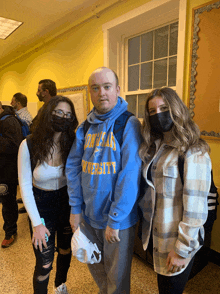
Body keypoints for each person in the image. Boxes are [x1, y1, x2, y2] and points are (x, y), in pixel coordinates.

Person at [66, 67, 142, 294]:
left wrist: (115, 219)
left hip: (117, 220)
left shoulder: (129, 124)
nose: (102, 93)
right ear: (90, 92)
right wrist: (75, 208)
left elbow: (130, 175)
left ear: (117, 90)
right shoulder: (85, 127)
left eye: (107, 87)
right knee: (95, 265)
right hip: (88, 216)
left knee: (117, 277)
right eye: (95, 88)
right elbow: (72, 168)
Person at [139, 87, 212, 294]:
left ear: (176, 109)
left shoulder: (193, 150)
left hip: (178, 241)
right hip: (157, 234)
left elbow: (196, 209)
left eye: (164, 108)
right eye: (152, 111)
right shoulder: (156, 147)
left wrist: (182, 250)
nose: (158, 114)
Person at [18, 96, 78, 294]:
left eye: (68, 115)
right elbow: (25, 186)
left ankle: (59, 285)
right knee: (44, 262)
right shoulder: (28, 145)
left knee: (65, 250)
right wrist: (36, 224)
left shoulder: (72, 143)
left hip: (66, 204)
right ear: (48, 114)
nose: (64, 118)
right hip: (41, 206)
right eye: (59, 113)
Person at [18, 79, 58, 215]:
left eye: (39, 90)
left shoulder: (55, 108)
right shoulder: (45, 107)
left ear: (46, 92)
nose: (37, 93)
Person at [0, 102, 23, 248]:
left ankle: (10, 231)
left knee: (8, 201)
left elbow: (15, 145)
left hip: (7, 171)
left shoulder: (9, 120)